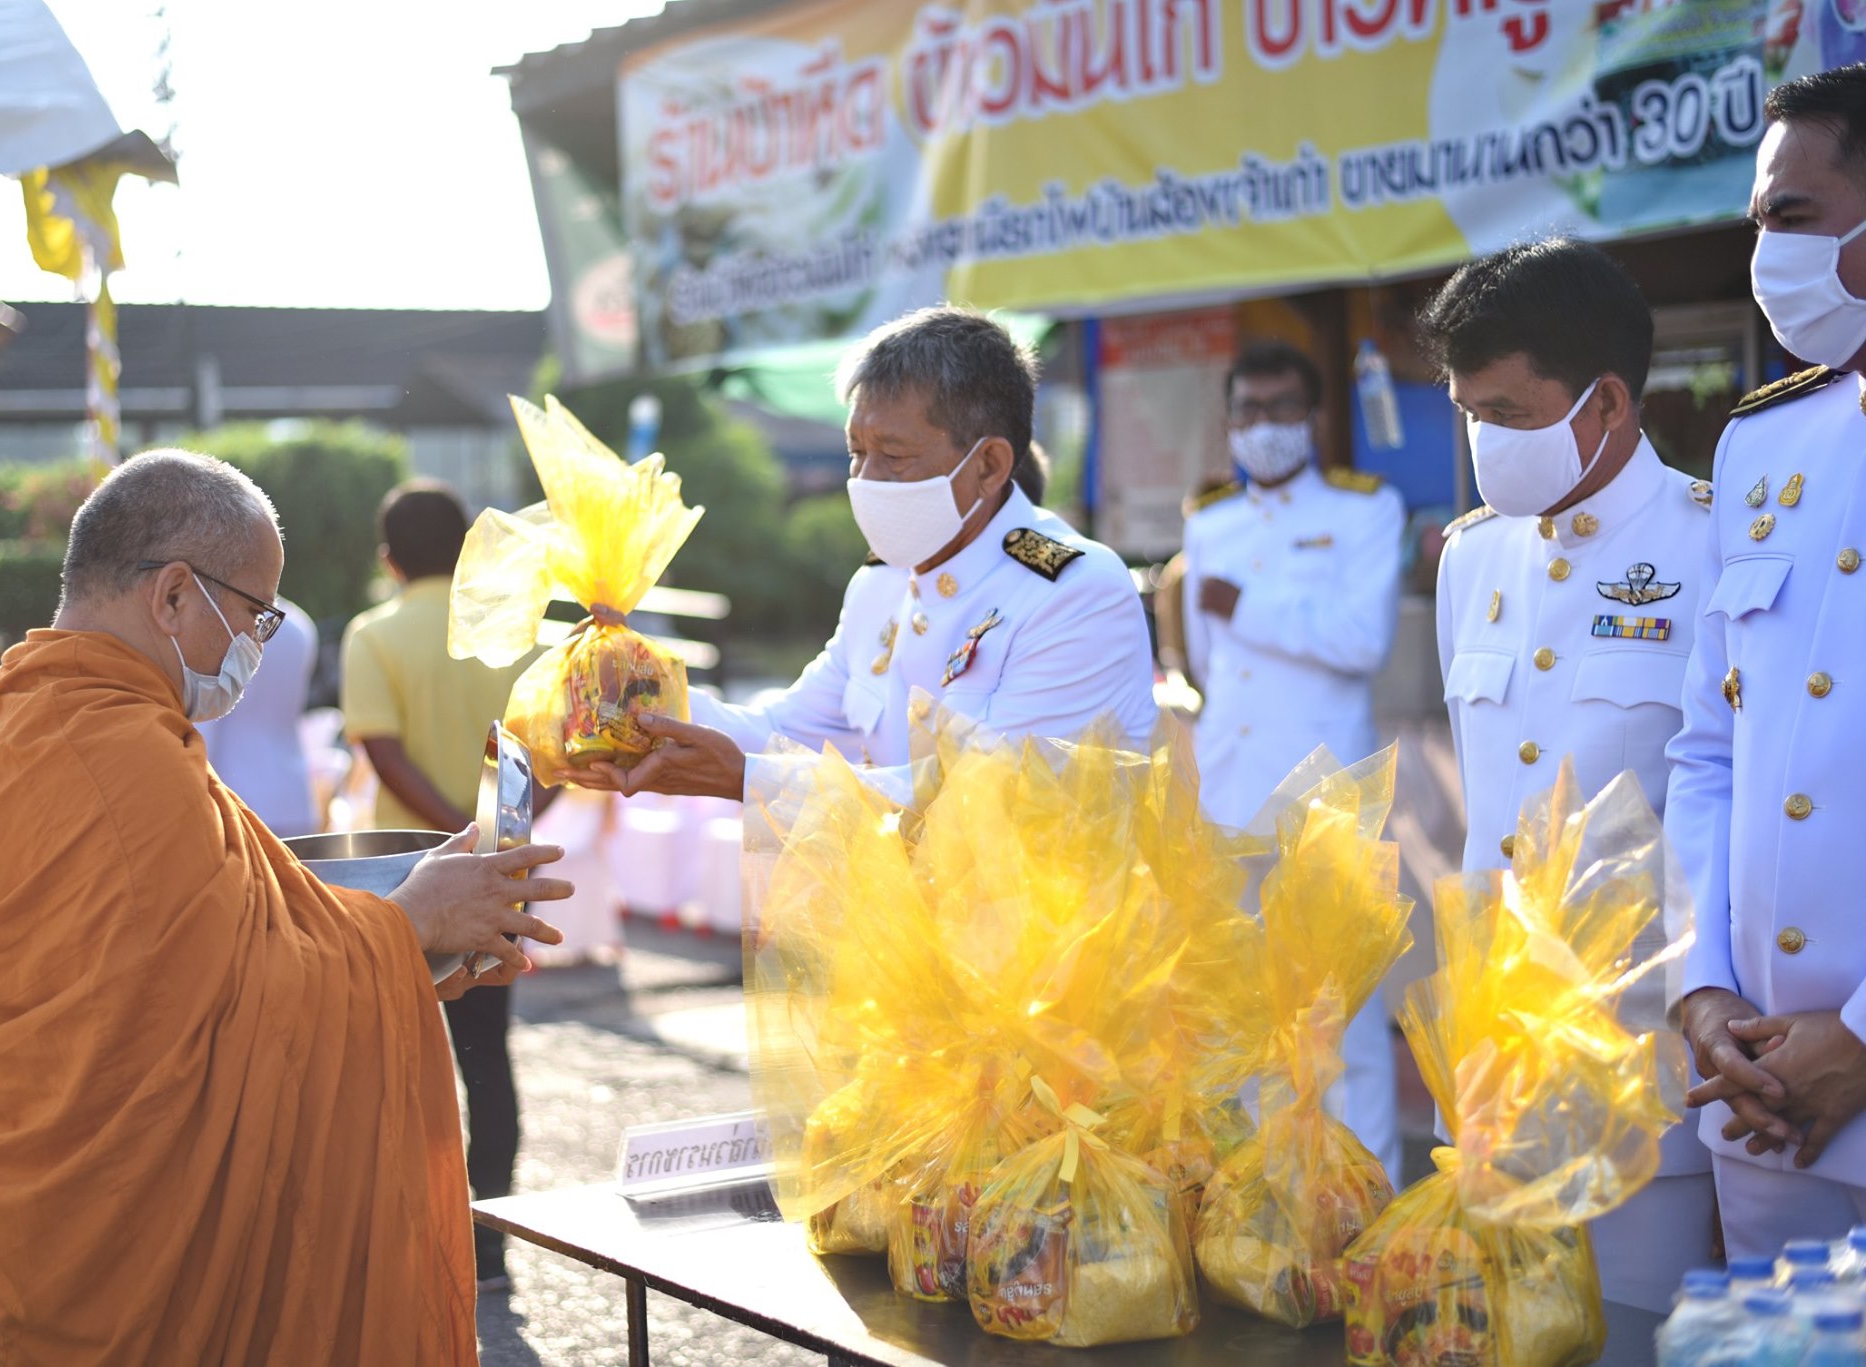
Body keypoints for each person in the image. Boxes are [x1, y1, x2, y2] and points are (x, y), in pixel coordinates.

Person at [0, 450, 572, 1364]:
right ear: (175, 596)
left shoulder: (31, 715)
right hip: (133, 1242)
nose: (260, 643)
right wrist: (410, 926)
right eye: (256, 612)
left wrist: (417, 941)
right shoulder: (116, 749)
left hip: (61, 1226)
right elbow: (218, 1002)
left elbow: (226, 949)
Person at [1422, 237, 1715, 1310]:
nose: (1481, 440)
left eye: (1504, 413)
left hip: (1645, 1060)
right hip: (1497, 1065)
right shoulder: (1472, 556)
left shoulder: (1714, 539)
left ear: (1602, 403)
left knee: (1642, 1332)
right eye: (1466, 412)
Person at [561, 305, 1158, 802]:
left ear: (989, 465)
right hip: (902, 932)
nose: (865, 480)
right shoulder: (880, 587)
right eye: (855, 452)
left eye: (894, 455)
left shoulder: (1074, 591)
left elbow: (988, 805)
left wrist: (751, 781)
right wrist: (639, 695)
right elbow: (784, 733)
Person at [1668, 63, 1866, 1256]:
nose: (1763, 248)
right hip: (1758, 1098)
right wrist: (1700, 989)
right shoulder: (1762, 444)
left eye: (1789, 217)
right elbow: (1708, 751)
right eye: (1755, 218)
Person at [1179, 341, 1407, 1188]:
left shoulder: (1364, 508)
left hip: (1327, 793)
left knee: (1342, 1005)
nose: (1263, 428)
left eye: (1281, 409)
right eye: (1248, 412)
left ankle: (1367, 1194)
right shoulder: (1209, 519)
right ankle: (1259, 1193)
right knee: (1241, 1005)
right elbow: (1206, 663)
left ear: (1312, 418)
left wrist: (1251, 605)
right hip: (1234, 789)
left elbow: (1362, 641)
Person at [342, 477, 535, 1291]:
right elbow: (539, 756)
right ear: (466, 554)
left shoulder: (372, 633)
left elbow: (381, 753)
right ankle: (488, 1241)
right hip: (498, 873)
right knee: (487, 1060)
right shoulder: (509, 638)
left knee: (391, 1064)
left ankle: (414, 1242)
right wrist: (493, 837)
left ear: (388, 560)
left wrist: (448, 835)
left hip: (403, 882)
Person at [197, 594, 319, 837]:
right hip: (295, 795)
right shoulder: (300, 625)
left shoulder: (225, 621)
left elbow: (206, 721)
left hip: (237, 796)